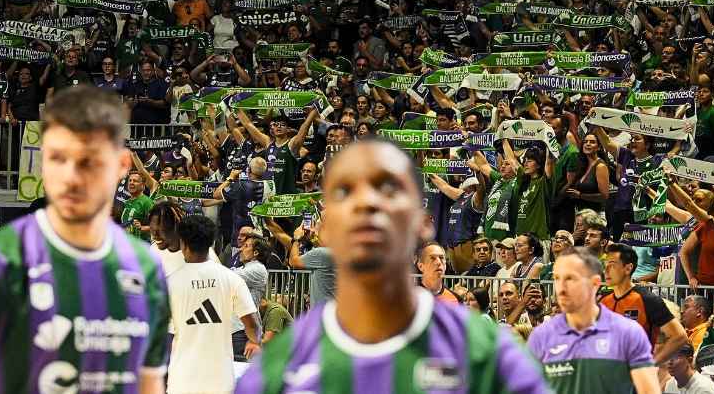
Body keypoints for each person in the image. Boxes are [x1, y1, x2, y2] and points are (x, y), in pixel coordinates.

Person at [234, 140, 549, 393]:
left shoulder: (485, 352)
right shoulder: (280, 366)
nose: (368, 203)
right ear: (324, 231)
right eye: (346, 192)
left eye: (388, 190)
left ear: (422, 224)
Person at [0, 85, 171, 394]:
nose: (71, 176)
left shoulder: (146, 268)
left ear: (121, 165)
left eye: (87, 160)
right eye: (57, 158)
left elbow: (148, 384)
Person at [528, 247, 661, 394]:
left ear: (595, 284)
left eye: (570, 278)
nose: (561, 288)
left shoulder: (628, 333)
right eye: (557, 278)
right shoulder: (541, 337)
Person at [167, 214, 261, 394]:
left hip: (182, 381)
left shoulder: (171, 283)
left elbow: (165, 335)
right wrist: (254, 341)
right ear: (211, 243)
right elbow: (251, 322)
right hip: (220, 382)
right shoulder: (231, 278)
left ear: (183, 244)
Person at [599, 243, 686, 364]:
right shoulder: (603, 301)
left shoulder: (647, 299)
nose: (606, 270)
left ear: (628, 268)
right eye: (605, 264)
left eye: (612, 265)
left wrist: (651, 364)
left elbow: (679, 336)